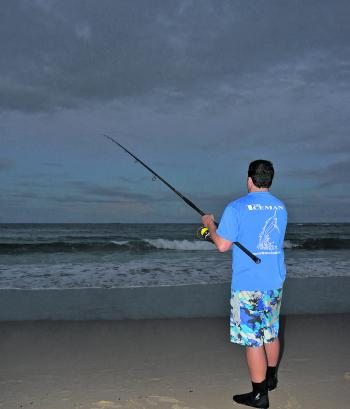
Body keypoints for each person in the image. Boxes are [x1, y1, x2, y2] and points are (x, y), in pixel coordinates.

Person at [202, 160, 287, 409]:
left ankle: (260, 395)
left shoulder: (236, 207)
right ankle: (271, 377)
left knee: (253, 340)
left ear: (249, 179)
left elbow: (222, 245)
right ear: (269, 180)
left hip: (249, 283)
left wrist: (209, 225)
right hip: (274, 280)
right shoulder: (280, 208)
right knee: (270, 331)